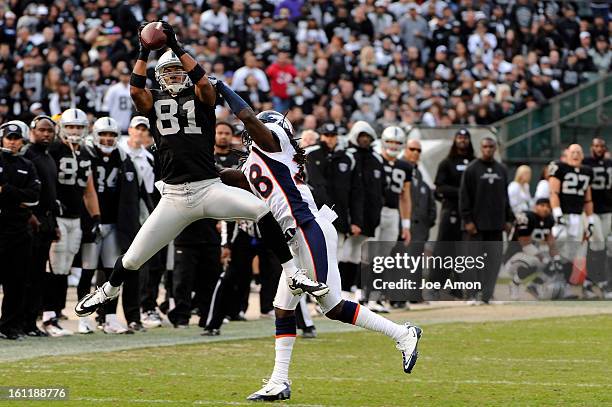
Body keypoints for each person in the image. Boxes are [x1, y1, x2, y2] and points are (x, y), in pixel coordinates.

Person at [76, 22, 327, 318]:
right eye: (167, 72)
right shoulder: (153, 100)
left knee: (262, 211)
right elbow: (135, 89)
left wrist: (177, 47)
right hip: (173, 197)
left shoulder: (202, 97)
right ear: (159, 76)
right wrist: (144, 51)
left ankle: (293, 273)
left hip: (208, 188)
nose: (173, 75)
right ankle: (109, 290)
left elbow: (205, 84)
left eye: (178, 70)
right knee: (132, 259)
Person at [212, 80, 422, 402]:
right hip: (295, 237)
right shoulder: (257, 163)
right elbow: (230, 177)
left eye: (259, 129)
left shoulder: (275, 144)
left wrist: (223, 88)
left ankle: (403, 334)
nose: (251, 133)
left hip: (309, 229)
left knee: (333, 307)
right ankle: (280, 381)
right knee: (283, 309)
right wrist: (189, 163)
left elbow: (250, 119)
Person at [80, 117, 142, 334]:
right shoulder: (85, 155)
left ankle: (110, 318)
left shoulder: (122, 157)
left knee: (111, 274)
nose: (107, 139)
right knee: (87, 271)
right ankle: (84, 318)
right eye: (103, 134)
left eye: (112, 135)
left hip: (113, 224)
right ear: (95, 135)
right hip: (93, 222)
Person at [46, 108, 101, 337]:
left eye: (78, 127)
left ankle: (55, 314)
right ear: (62, 128)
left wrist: (96, 216)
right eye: (70, 126)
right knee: (55, 266)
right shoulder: (54, 150)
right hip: (58, 216)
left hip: (76, 218)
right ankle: (49, 315)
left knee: (65, 267)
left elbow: (89, 191)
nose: (74, 131)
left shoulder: (86, 153)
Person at [305, 123, 364, 297]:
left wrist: (355, 220)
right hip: (315, 215)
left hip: (339, 216)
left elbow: (355, 192)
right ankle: (314, 295)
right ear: (321, 136)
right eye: (326, 135)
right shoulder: (310, 153)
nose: (330, 138)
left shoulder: (347, 158)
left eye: (333, 135)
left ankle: (332, 295)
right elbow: (316, 186)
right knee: (314, 255)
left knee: (335, 257)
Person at [459, 137, 514, 303]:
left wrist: (508, 219)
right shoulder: (471, 169)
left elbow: (505, 198)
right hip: (476, 226)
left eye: (491, 147)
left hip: (496, 226)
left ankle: (487, 295)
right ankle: (472, 295)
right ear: (481, 148)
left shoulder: (501, 170)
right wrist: (467, 220)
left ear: (495, 148)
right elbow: (464, 196)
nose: (488, 149)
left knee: (493, 262)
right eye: (485, 147)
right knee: (474, 262)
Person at [0, 122, 40, 340]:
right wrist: (19, 197)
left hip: (19, 230)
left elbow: (33, 197)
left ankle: (9, 326)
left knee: (16, 282)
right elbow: (25, 195)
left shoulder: (28, 164)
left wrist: (5, 190)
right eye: (9, 137)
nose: (12, 142)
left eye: (16, 138)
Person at [22, 115, 59, 337]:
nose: (46, 134)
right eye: (42, 130)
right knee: (26, 276)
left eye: (50, 131)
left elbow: (50, 194)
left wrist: (53, 223)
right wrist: (30, 216)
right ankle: (20, 322)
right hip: (30, 222)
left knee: (37, 275)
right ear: (32, 131)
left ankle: (29, 323)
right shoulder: (28, 154)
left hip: (45, 221)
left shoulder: (48, 156)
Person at [430, 128, 475, 296]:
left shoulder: (474, 162)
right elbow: (439, 187)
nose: (462, 140)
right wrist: (462, 192)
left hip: (469, 215)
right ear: (455, 140)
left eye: (465, 138)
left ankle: (458, 287)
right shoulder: (447, 163)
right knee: (444, 249)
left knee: (464, 252)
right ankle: (435, 285)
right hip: (450, 212)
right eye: (459, 137)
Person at [548, 144, 595, 296]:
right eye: (573, 152)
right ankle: (549, 282)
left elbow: (588, 199)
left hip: (577, 216)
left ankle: (565, 286)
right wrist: (557, 213)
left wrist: (591, 220)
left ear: (582, 155)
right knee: (558, 245)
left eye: (578, 152)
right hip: (562, 214)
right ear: (566, 154)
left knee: (571, 253)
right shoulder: (559, 167)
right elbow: (553, 192)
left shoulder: (587, 171)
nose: (575, 155)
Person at [506, 198, 563, 300]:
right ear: (535, 206)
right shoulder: (526, 216)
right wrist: (542, 258)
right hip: (513, 256)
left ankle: (534, 286)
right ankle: (514, 284)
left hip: (530, 255)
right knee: (534, 261)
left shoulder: (549, 220)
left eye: (548, 207)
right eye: (542, 206)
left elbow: (551, 242)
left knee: (553, 264)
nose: (545, 209)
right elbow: (524, 243)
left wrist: (557, 258)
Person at [582, 138, 612, 298]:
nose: (598, 148)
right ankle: (596, 281)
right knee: (597, 244)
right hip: (591, 210)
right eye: (595, 146)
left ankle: (593, 281)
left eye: (601, 145)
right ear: (591, 147)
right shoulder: (586, 163)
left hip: (608, 209)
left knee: (605, 246)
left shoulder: (609, 164)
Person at [102, 67, 133, 133]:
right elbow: (106, 106)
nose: (125, 77)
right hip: (115, 121)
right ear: (120, 76)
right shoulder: (113, 89)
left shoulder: (132, 89)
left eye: (127, 75)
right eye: (123, 75)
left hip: (128, 123)